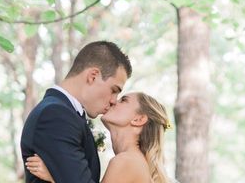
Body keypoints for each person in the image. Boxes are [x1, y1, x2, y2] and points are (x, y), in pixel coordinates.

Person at [20, 41, 132, 183]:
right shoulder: (56, 115)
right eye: (114, 90)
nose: (114, 101)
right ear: (93, 76)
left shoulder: (65, 113)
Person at [25, 92, 171, 183]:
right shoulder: (134, 160)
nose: (114, 101)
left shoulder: (127, 161)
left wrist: (55, 175)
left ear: (138, 120)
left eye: (123, 100)